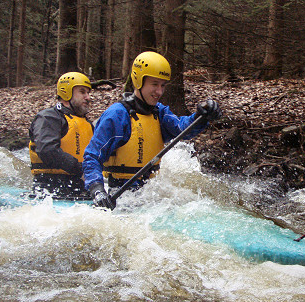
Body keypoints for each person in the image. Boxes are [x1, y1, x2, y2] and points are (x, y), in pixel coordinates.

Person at [83, 51, 222, 209]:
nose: (159, 92)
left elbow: (183, 129)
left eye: (162, 85)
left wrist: (201, 115)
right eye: (154, 84)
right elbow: (92, 156)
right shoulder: (117, 115)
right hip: (119, 196)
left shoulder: (159, 112)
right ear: (138, 81)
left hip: (150, 196)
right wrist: (97, 191)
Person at [29, 72, 93, 199]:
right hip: (50, 187)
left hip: (79, 187)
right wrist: (80, 169)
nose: (88, 97)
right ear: (66, 92)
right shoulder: (49, 117)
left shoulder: (87, 123)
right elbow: (47, 150)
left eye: (88, 93)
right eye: (82, 92)